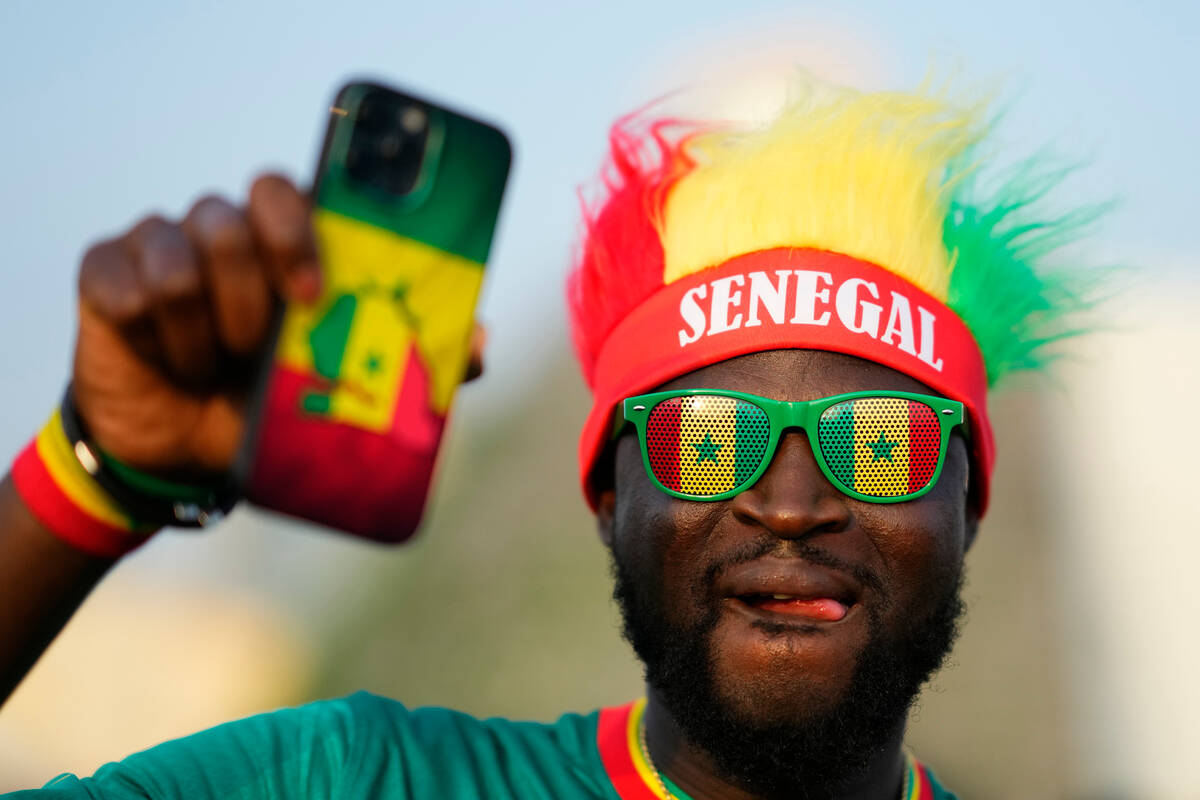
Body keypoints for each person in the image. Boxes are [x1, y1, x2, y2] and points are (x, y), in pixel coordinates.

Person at [0, 76, 1103, 799]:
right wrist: (88, 480)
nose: (791, 499)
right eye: (706, 435)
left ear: (969, 504)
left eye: (878, 440)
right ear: (604, 495)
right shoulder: (346, 778)